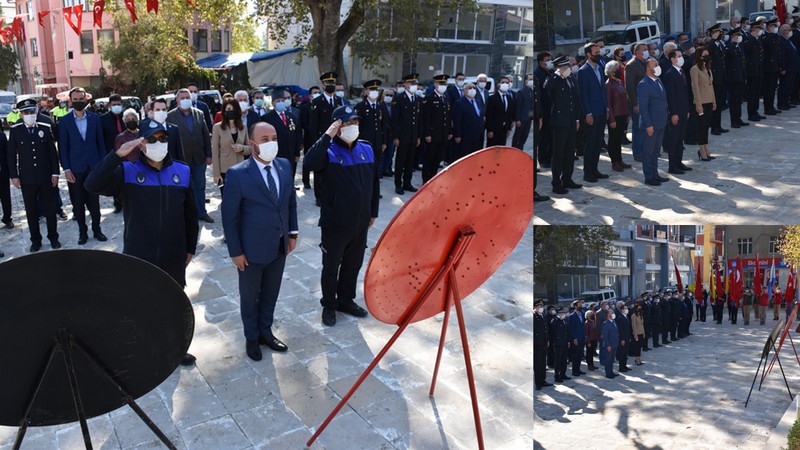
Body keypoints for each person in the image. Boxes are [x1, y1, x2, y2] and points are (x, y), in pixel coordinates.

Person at [85, 123, 199, 366]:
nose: (158, 143)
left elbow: (190, 215)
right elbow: (91, 185)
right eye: (152, 139)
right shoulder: (127, 172)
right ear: (141, 143)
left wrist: (190, 248)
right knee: (141, 304)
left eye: (162, 138)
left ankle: (176, 348)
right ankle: (146, 349)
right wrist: (116, 156)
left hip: (173, 253)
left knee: (174, 304)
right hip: (139, 254)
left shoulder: (183, 171)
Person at [221, 122, 298, 361]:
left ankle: (266, 331)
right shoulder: (238, 174)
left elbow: (290, 203)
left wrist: (292, 233)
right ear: (251, 144)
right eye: (264, 139)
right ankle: (251, 338)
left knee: (271, 293)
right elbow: (229, 217)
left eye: (273, 137)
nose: (271, 143)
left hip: (278, 245)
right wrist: (235, 251)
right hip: (250, 251)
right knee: (250, 296)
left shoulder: (284, 166)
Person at [304, 106, 379, 327]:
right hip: (335, 224)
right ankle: (329, 304)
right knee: (331, 267)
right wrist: (327, 135)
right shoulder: (327, 152)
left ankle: (346, 300)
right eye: (346, 123)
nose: (352, 127)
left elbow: (373, 185)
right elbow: (309, 164)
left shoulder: (366, 149)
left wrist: (372, 212)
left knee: (353, 265)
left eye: (355, 122)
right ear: (336, 127)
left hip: (360, 223)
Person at [7, 98, 61, 252]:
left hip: (45, 177)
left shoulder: (45, 127)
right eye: (26, 112)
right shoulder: (16, 130)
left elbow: (52, 153)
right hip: (27, 178)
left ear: (36, 111)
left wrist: (55, 173)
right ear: (21, 114)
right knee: (31, 212)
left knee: (50, 209)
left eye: (32, 111)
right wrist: (14, 176)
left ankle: (53, 238)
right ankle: (35, 240)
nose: (29, 114)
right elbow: (11, 155)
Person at [59, 87, 107, 245]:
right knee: (78, 203)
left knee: (94, 203)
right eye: (76, 99)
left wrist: (102, 166)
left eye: (81, 99)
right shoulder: (65, 121)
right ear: (70, 100)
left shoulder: (94, 118)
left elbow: (100, 143)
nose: (79, 102)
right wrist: (66, 169)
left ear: (86, 99)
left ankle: (97, 230)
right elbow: (63, 148)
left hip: (93, 167)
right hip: (75, 169)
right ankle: (82, 233)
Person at [168, 88, 213, 223]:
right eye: (182, 98)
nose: (185, 100)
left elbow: (205, 135)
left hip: (199, 157)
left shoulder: (199, 114)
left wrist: (209, 155)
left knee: (200, 186)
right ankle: (189, 213)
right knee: (186, 187)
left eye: (187, 97)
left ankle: (202, 212)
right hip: (181, 159)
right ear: (177, 101)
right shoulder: (170, 116)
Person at [544, 56, 582, 195]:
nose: (568, 69)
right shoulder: (554, 79)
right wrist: (557, 74)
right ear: (558, 68)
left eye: (569, 67)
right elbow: (547, 87)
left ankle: (567, 179)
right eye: (565, 67)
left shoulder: (571, 79)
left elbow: (577, 100)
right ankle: (556, 183)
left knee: (569, 152)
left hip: (571, 121)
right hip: (560, 122)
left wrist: (577, 119)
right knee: (558, 153)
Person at [309, 72, 346, 203]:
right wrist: (316, 144)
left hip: (337, 141)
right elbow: (313, 125)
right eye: (328, 83)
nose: (331, 85)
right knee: (320, 169)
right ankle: (319, 196)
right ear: (323, 84)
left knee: (334, 167)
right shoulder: (317, 101)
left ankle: (333, 192)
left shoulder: (338, 101)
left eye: (333, 83)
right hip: (322, 139)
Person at [578, 43, 610, 183]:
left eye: (599, 52)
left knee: (598, 143)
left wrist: (606, 108)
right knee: (590, 143)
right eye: (596, 53)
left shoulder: (600, 67)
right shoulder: (583, 71)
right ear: (588, 54)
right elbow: (583, 94)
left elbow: (603, 90)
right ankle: (587, 172)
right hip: (591, 113)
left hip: (602, 111)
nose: (599, 55)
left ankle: (595, 169)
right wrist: (588, 113)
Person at [637, 57, 670, 186]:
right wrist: (648, 125)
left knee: (656, 151)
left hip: (661, 122)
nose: (657, 66)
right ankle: (649, 176)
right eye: (654, 64)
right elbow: (643, 108)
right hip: (650, 124)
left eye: (657, 63)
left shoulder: (658, 80)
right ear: (647, 69)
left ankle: (655, 174)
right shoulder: (644, 84)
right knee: (648, 152)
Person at [662, 48, 693, 175]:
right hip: (676, 112)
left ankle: (679, 162)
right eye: (679, 56)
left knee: (680, 139)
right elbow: (671, 96)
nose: (681, 58)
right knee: (674, 139)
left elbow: (684, 94)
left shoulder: (681, 72)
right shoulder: (670, 74)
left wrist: (687, 109)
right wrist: (673, 113)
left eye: (681, 55)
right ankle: (672, 166)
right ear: (672, 59)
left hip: (683, 110)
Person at [392, 73, 423, 195]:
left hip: (413, 136)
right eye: (411, 83)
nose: (414, 85)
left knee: (410, 161)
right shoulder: (399, 99)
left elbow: (419, 121)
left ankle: (407, 182)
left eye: (415, 83)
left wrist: (418, 136)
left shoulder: (417, 99)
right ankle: (398, 184)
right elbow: (395, 120)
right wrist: (395, 136)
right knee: (400, 161)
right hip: (402, 136)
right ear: (405, 84)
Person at [211, 99, 250, 197]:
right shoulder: (217, 127)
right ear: (224, 111)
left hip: (241, 169)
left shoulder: (243, 127)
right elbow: (215, 152)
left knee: (241, 198)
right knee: (227, 199)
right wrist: (216, 174)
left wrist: (242, 148)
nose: (231, 111)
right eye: (228, 109)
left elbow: (249, 148)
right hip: (225, 170)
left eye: (234, 109)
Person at [421, 74, 452, 183]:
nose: (443, 86)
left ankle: (433, 177)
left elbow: (447, 117)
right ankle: (426, 179)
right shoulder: (429, 98)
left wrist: (449, 131)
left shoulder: (446, 98)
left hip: (443, 134)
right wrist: (427, 134)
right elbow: (426, 118)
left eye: (444, 84)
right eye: (440, 83)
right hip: (433, 134)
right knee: (429, 157)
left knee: (438, 158)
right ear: (435, 84)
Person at [264, 88, 303, 177]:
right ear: (273, 103)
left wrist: (297, 153)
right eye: (278, 101)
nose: (281, 102)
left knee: (291, 175)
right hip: (277, 154)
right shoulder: (267, 118)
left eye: (282, 100)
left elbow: (297, 134)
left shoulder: (291, 116)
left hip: (291, 153)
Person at [605, 60, 632, 172]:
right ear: (611, 72)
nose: (618, 71)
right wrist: (611, 119)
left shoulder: (619, 83)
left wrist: (628, 114)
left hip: (623, 115)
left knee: (619, 139)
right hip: (615, 117)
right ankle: (614, 162)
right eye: (616, 69)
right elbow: (608, 104)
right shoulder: (608, 85)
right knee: (613, 140)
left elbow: (625, 100)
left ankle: (620, 160)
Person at [691, 47, 717, 161]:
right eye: (705, 55)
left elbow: (711, 86)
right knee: (701, 127)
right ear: (699, 56)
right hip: (701, 102)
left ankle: (706, 148)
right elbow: (695, 88)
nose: (707, 57)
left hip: (709, 101)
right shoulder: (694, 69)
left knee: (706, 126)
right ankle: (701, 150)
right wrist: (698, 104)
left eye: (708, 54)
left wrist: (714, 101)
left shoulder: (708, 68)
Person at [625, 42, 649, 161]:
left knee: (647, 126)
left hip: (648, 100)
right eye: (644, 49)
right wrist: (634, 104)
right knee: (638, 128)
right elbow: (629, 86)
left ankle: (647, 150)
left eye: (647, 49)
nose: (646, 51)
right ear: (636, 52)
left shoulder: (646, 63)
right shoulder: (631, 65)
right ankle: (638, 153)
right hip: (638, 101)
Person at [452, 82, 485, 162]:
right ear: (464, 90)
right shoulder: (459, 103)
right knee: (465, 159)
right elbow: (457, 120)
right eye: (469, 88)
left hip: (478, 136)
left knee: (476, 159)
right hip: (465, 137)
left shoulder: (478, 101)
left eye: (474, 88)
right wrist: (457, 135)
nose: (472, 90)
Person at [706, 24, 729, 135]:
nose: (719, 34)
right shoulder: (710, 45)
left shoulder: (719, 44)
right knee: (714, 104)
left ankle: (718, 125)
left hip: (722, 76)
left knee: (719, 103)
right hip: (715, 78)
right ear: (712, 33)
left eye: (720, 32)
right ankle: (714, 126)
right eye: (717, 32)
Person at [744, 21, 766, 121]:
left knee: (757, 93)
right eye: (758, 29)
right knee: (752, 94)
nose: (760, 31)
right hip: (752, 71)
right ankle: (751, 114)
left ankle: (755, 111)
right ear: (754, 30)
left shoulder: (758, 39)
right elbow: (746, 49)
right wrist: (752, 36)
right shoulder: (749, 39)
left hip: (758, 70)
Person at [535, 52, 555, 168]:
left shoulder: (551, 72)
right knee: (544, 137)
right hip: (544, 110)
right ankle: (543, 159)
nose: (549, 62)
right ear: (541, 62)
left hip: (552, 109)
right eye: (547, 60)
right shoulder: (537, 74)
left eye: (550, 59)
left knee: (552, 136)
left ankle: (551, 157)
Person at [300, 85, 322, 185]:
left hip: (321, 137)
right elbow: (304, 123)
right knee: (307, 159)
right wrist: (312, 132)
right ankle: (306, 180)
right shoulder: (305, 107)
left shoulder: (322, 105)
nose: (317, 94)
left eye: (318, 92)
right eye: (314, 92)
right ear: (310, 95)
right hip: (309, 138)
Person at [485, 75, 515, 147]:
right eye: (503, 82)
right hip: (494, 129)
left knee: (501, 148)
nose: (505, 84)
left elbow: (509, 113)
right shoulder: (492, 98)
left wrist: (509, 128)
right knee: (491, 149)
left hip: (504, 130)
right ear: (498, 84)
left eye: (507, 83)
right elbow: (489, 115)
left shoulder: (509, 98)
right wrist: (490, 130)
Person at [763, 18, 783, 115]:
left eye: (775, 26)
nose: (775, 28)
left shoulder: (775, 36)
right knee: (768, 89)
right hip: (768, 67)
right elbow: (766, 45)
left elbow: (778, 52)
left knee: (772, 88)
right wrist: (770, 33)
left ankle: (771, 107)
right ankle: (767, 108)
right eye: (773, 26)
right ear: (768, 27)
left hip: (775, 66)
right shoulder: (765, 36)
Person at [778, 24, 800, 110]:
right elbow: (782, 56)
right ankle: (782, 104)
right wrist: (783, 68)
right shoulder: (781, 40)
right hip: (787, 68)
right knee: (784, 86)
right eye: (789, 29)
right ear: (783, 31)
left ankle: (786, 102)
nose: (790, 31)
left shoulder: (788, 40)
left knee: (790, 86)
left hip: (793, 68)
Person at [512, 73, 534, 151]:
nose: (532, 81)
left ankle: (520, 151)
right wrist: (517, 119)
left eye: (533, 79)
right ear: (525, 81)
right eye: (530, 79)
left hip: (528, 119)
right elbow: (518, 106)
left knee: (523, 138)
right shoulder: (521, 92)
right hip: (521, 119)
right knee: (517, 137)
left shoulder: (532, 91)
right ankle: (514, 151)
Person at [534, 300, 552, 390]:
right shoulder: (534, 316)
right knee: (537, 363)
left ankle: (543, 380)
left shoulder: (543, 316)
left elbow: (546, 329)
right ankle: (538, 383)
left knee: (543, 362)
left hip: (544, 342)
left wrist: (547, 339)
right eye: (539, 306)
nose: (541, 308)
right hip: (537, 343)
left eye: (542, 306)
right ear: (535, 307)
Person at [552, 307, 572, 382]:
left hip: (565, 343)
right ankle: (557, 376)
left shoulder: (564, 320)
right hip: (558, 344)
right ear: (558, 313)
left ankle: (563, 374)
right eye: (562, 312)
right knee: (558, 361)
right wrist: (557, 318)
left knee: (564, 360)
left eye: (564, 312)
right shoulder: (555, 320)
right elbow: (552, 329)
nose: (563, 314)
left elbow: (567, 331)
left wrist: (568, 341)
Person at [568, 302, 586, 376]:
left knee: (580, 355)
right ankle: (574, 371)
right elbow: (572, 328)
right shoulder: (572, 316)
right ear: (575, 306)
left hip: (582, 337)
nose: (581, 306)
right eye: (579, 305)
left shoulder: (582, 314)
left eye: (581, 305)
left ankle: (578, 369)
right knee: (575, 355)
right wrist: (574, 338)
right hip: (576, 338)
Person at [601, 307, 619, 378]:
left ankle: (611, 371)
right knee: (608, 360)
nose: (613, 314)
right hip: (609, 345)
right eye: (612, 312)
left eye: (613, 312)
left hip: (614, 344)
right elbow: (605, 336)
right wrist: (608, 345)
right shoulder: (606, 323)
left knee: (612, 360)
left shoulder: (614, 322)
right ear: (608, 314)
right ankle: (608, 373)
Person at [614, 301, 631, 373]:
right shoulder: (620, 318)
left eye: (627, 308)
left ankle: (625, 365)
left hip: (627, 338)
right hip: (623, 339)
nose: (627, 310)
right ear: (622, 310)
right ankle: (621, 367)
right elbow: (620, 330)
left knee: (625, 353)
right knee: (622, 353)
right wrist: (622, 339)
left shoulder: (626, 317)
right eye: (625, 308)